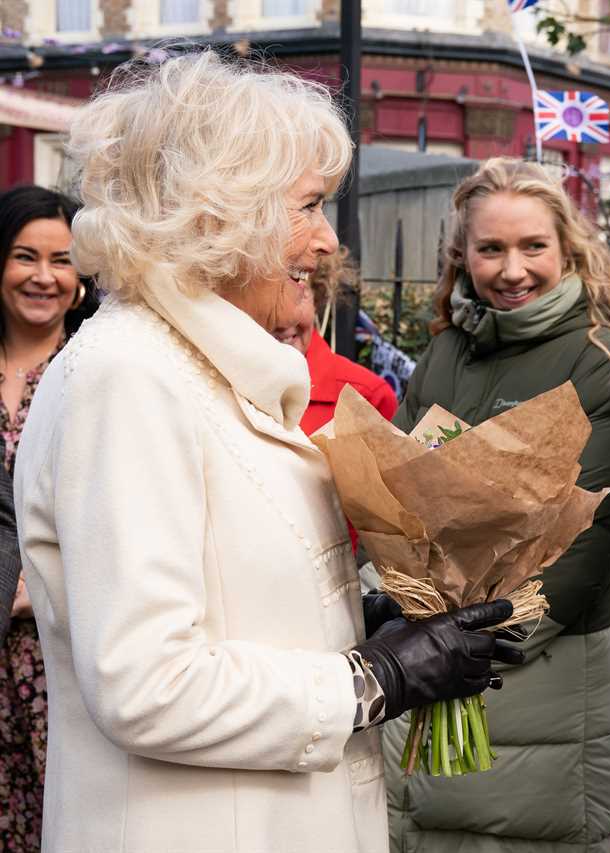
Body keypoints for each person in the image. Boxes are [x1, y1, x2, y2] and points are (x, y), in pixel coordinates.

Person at [14, 51, 520, 853]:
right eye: (310, 205)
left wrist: (385, 627)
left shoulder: (209, 371)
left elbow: (236, 605)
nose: (326, 240)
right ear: (217, 215)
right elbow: (146, 683)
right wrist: (376, 679)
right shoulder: (127, 377)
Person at [381, 157, 610, 853]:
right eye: (491, 248)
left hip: (538, 682)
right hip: (432, 667)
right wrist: (401, 601)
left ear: (567, 248)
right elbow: (395, 493)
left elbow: (581, 550)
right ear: (462, 254)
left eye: (532, 246)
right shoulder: (444, 353)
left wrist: (462, 639)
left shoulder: (601, 364)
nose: (511, 269)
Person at [0, 184, 95, 853]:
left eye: (61, 260)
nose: (43, 276)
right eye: (23, 256)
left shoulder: (94, 373)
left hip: (60, 657)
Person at [272, 245, 397, 435]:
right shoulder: (218, 387)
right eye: (270, 295)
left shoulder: (367, 398)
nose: (284, 319)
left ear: (317, 296)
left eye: (299, 293)